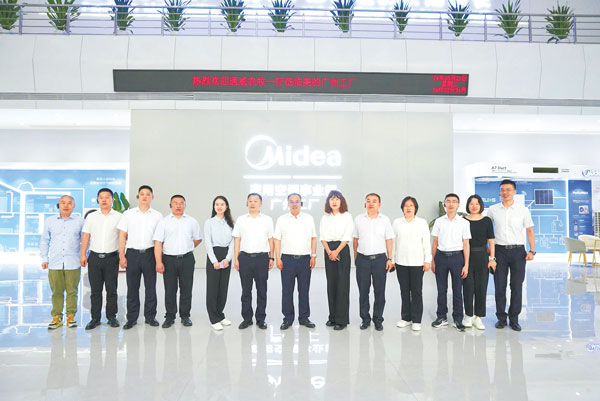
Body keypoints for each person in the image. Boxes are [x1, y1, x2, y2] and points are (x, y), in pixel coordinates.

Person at [487, 179, 535, 332]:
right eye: (502, 189)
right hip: (499, 251)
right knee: (499, 286)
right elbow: (486, 231)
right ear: (500, 192)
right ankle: (501, 318)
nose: (505, 192)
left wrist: (532, 251)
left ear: (515, 192)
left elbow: (529, 231)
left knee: (516, 286)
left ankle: (514, 319)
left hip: (518, 252)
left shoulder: (523, 210)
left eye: (508, 189)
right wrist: (489, 252)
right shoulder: (493, 210)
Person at [153, 194, 202, 328]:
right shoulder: (163, 222)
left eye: (181, 203)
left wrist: (188, 247)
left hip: (187, 259)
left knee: (186, 288)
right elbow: (158, 243)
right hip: (169, 259)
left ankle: (185, 316)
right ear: (170, 205)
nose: (178, 205)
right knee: (170, 289)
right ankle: (170, 316)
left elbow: (198, 239)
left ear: (185, 205)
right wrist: (158, 262)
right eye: (175, 203)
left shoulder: (192, 221)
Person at [118, 185, 163, 330]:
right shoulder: (128, 214)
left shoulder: (157, 216)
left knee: (151, 288)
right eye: (142, 194)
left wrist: (158, 260)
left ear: (152, 197)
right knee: (132, 288)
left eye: (147, 194)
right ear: (138, 196)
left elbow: (159, 240)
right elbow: (122, 236)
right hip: (132, 254)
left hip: (150, 254)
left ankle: (150, 317)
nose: (144, 196)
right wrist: (122, 256)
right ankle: (131, 318)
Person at [274, 193, 317, 330]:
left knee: (304, 290)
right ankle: (287, 319)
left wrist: (313, 256)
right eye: (291, 201)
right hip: (287, 259)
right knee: (287, 291)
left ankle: (304, 318)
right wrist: (278, 258)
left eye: (297, 201)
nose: (294, 204)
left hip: (305, 259)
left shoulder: (309, 219)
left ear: (301, 203)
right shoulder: (282, 219)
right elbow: (277, 239)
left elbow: (313, 238)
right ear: (288, 203)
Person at [81, 188, 122, 330]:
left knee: (112, 290)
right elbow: (86, 236)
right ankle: (95, 318)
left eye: (107, 197)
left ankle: (112, 317)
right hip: (94, 258)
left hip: (112, 258)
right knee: (95, 290)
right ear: (98, 200)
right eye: (101, 197)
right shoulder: (91, 217)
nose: (104, 200)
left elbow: (122, 237)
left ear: (112, 200)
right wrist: (83, 254)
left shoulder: (119, 217)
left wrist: (123, 256)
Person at [40, 195, 84, 329]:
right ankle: (56, 317)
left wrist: (84, 255)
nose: (66, 205)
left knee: (72, 291)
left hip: (73, 262)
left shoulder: (80, 221)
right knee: (56, 291)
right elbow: (44, 240)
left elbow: (85, 240)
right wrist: (44, 258)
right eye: (63, 203)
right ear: (58, 205)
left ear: (73, 206)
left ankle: (71, 316)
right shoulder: (50, 221)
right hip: (55, 262)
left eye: (69, 203)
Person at [352, 193, 395, 331]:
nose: (371, 203)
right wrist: (356, 258)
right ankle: (365, 319)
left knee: (379, 292)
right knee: (363, 292)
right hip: (363, 259)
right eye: (368, 201)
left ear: (379, 204)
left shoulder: (385, 220)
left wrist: (390, 258)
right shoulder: (359, 219)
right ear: (365, 203)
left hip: (380, 260)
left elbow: (389, 240)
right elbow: (355, 240)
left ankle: (378, 319)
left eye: (374, 201)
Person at [233, 193, 274, 330]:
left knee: (262, 290)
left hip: (262, 258)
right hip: (244, 258)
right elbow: (237, 239)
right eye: (250, 201)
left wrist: (271, 257)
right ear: (247, 203)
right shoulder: (241, 220)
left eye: (256, 201)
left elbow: (271, 240)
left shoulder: (267, 220)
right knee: (246, 290)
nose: (252, 203)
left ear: (260, 203)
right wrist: (236, 258)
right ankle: (247, 318)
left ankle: (261, 319)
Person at [431, 193, 471, 332]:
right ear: (445, 204)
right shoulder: (439, 221)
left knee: (457, 290)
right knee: (441, 289)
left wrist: (466, 264)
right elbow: (435, 242)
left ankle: (458, 319)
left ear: (458, 205)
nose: (451, 204)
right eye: (448, 201)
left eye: (454, 201)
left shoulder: (464, 222)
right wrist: (433, 260)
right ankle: (441, 317)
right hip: (441, 257)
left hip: (457, 258)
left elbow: (466, 244)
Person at [392, 196, 431, 332]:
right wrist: (392, 260)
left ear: (415, 208)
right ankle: (406, 318)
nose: (408, 208)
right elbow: (393, 243)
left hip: (417, 262)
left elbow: (426, 242)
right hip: (401, 262)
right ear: (402, 208)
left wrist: (427, 260)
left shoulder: (422, 222)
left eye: (411, 205)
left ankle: (416, 320)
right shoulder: (397, 222)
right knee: (404, 290)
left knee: (416, 291)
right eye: (406, 205)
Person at [320, 190, 354, 331]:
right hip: (328, 250)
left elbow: (347, 237)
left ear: (341, 201)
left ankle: (341, 320)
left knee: (342, 285)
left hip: (342, 249)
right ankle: (332, 317)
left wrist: (336, 251)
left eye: (337, 199)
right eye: (331, 199)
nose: (334, 201)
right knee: (331, 284)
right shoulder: (325, 217)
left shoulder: (347, 216)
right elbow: (322, 237)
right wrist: (329, 252)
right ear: (328, 202)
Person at [463, 194, 496, 330]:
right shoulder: (463, 221)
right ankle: (468, 315)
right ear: (468, 206)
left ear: (481, 205)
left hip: (482, 257)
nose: (474, 206)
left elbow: (491, 241)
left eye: (477, 203)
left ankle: (478, 318)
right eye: (471, 203)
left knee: (481, 287)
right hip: (466, 256)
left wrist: (492, 258)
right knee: (468, 287)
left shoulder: (486, 221)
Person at [204, 195, 235, 331]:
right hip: (214, 255)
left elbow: (233, 242)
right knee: (212, 288)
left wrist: (228, 259)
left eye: (222, 204)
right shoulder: (209, 222)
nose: (219, 206)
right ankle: (213, 318)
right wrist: (214, 261)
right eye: (217, 204)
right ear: (214, 207)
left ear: (226, 206)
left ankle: (220, 315)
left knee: (223, 287)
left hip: (226, 256)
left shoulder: (231, 223)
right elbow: (208, 242)